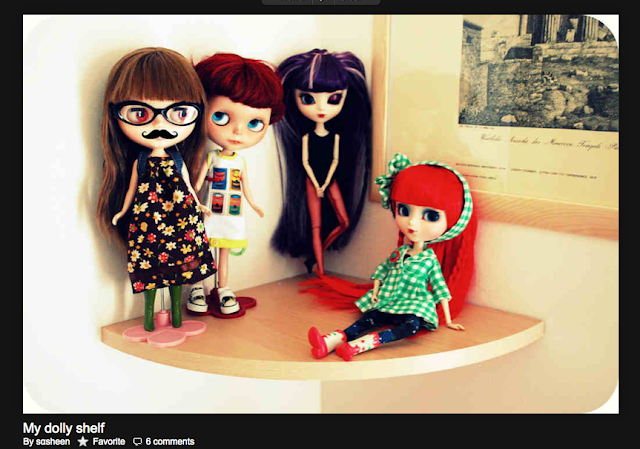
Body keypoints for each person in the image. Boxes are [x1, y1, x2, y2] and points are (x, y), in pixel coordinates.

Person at [307, 154, 477, 361]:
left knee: (410, 327)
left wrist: (448, 320)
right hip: (390, 299)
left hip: (415, 304)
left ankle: (360, 345)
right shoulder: (400, 253)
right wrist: (375, 292)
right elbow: (382, 271)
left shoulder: (429, 261)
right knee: (369, 319)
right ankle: (332, 340)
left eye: (431, 216)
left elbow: (440, 289)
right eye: (404, 210)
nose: (412, 223)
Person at [97, 47, 215, 331]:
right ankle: (149, 318)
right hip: (148, 223)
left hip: (180, 220)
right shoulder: (140, 161)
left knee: (179, 270)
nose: (160, 123)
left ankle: (177, 316)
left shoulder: (178, 159)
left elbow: (187, 184)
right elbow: (132, 190)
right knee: (150, 271)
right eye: (140, 113)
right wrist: (123, 211)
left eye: (179, 112)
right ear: (116, 114)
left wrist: (198, 204)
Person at [188, 53, 284, 315]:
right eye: (221, 117)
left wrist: (254, 204)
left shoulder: (240, 161)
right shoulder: (210, 157)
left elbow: (246, 187)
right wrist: (195, 201)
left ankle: (223, 288)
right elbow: (197, 184)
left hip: (231, 212)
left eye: (254, 123)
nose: (238, 131)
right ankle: (197, 287)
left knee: (224, 252)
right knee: (201, 248)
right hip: (210, 209)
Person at [271, 49, 372, 276]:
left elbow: (335, 161)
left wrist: (325, 183)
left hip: (328, 180)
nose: (321, 108)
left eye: (333, 99)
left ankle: (318, 256)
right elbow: (306, 162)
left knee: (343, 222)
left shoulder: (335, 137)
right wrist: (318, 184)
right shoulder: (306, 138)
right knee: (315, 227)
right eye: (308, 99)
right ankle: (321, 269)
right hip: (312, 182)